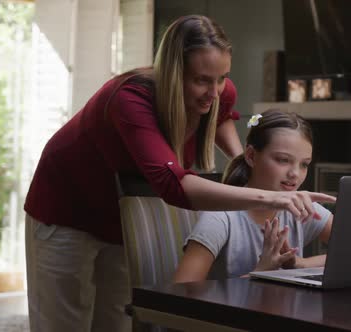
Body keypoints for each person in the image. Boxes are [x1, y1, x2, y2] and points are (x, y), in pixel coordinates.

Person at [24, 16, 335, 332]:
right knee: (65, 321)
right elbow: (174, 186)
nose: (213, 92)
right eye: (201, 80)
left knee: (115, 321)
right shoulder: (129, 99)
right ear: (173, 72)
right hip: (67, 208)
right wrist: (273, 195)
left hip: (119, 214)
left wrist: (246, 162)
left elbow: (222, 115)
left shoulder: (217, 91)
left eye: (222, 78)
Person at [174, 109, 333, 283]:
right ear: (251, 156)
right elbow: (182, 290)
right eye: (283, 160)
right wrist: (260, 272)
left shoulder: (301, 209)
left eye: (304, 164)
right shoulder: (220, 218)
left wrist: (301, 264)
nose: (295, 173)